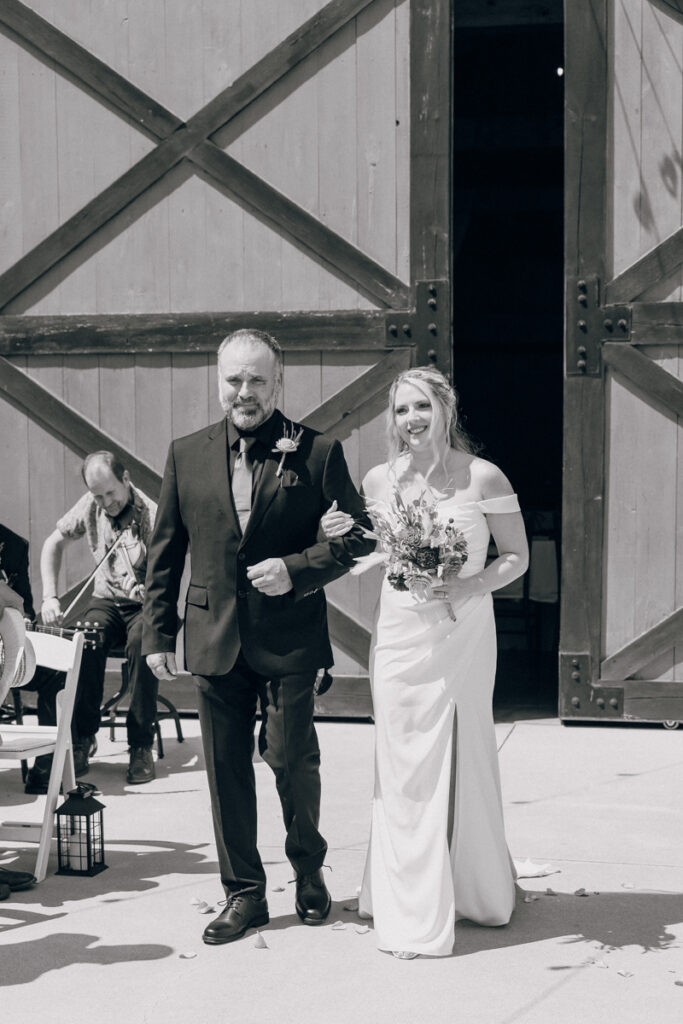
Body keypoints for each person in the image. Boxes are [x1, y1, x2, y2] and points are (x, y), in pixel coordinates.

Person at [142, 328, 374, 945]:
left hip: (291, 638)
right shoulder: (185, 453)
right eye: (233, 380)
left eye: (257, 380)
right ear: (219, 382)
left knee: (292, 761)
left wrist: (297, 568)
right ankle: (243, 894)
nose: (244, 392)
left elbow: (360, 537)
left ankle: (307, 871)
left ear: (279, 382)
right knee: (224, 771)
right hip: (213, 636)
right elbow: (165, 553)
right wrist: (157, 634)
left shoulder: (317, 452)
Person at [320, 365, 529, 959]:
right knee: (402, 756)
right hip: (400, 631)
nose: (411, 420)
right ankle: (405, 898)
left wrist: (472, 585)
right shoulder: (380, 479)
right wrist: (332, 528)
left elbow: (517, 556)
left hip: (462, 631)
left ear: (445, 409)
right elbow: (366, 550)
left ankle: (476, 889)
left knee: (465, 751)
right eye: (401, 410)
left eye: (421, 407)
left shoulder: (483, 476)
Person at [39, 452, 159, 786]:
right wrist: (50, 595)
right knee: (85, 637)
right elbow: (53, 544)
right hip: (105, 600)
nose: (107, 502)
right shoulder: (91, 505)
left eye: (111, 493)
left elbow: (169, 570)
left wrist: (147, 590)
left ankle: (140, 745)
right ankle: (82, 737)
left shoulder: (150, 514)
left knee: (142, 642)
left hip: (143, 605)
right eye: (98, 496)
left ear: (126, 479)